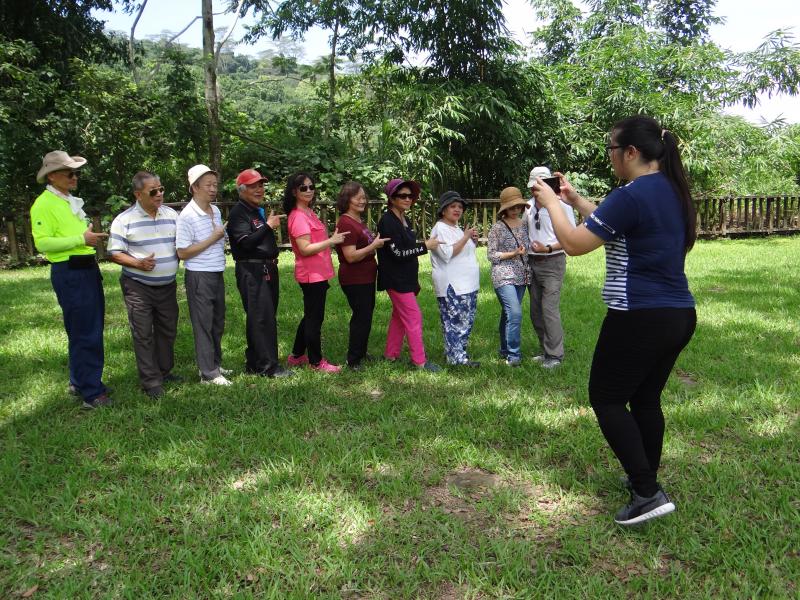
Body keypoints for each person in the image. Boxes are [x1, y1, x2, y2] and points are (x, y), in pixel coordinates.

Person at [531, 115, 697, 526]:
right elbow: (620, 224)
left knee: (606, 398)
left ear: (631, 152)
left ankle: (646, 491)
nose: (609, 157)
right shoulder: (671, 190)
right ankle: (645, 478)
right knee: (643, 398)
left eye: (611, 149)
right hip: (678, 315)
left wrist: (551, 204)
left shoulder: (630, 193)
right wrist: (574, 202)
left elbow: (573, 245)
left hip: (637, 315)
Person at [30, 151, 111, 409]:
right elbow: (42, 242)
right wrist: (81, 240)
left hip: (85, 269)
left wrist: (88, 238)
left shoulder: (67, 201)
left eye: (76, 173)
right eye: (70, 173)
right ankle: (92, 392)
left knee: (85, 328)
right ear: (52, 176)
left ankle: (80, 381)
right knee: (85, 331)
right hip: (70, 272)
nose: (75, 177)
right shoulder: (44, 204)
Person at [108, 171, 180, 399]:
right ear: (138, 194)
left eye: (161, 189)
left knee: (167, 330)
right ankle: (151, 382)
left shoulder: (171, 215)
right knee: (143, 333)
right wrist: (138, 263)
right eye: (153, 191)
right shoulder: (124, 219)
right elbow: (115, 253)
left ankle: (164, 371)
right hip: (137, 286)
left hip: (167, 286)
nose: (159, 194)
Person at [227, 168, 293, 379]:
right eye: (254, 186)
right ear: (242, 189)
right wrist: (268, 227)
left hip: (266, 268)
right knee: (261, 318)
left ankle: (255, 362)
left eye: (261, 185)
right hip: (252, 270)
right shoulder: (239, 212)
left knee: (262, 316)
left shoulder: (255, 210)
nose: (259, 189)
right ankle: (268, 367)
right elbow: (244, 243)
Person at [376, 178, 442, 372]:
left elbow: (406, 247)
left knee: (399, 317)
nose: (407, 199)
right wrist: (425, 246)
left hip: (407, 278)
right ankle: (420, 361)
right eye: (402, 196)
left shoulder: (404, 219)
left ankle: (390, 355)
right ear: (392, 198)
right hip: (395, 279)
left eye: (410, 196)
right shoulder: (387, 222)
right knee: (414, 317)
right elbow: (397, 253)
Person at [283, 172, 345, 373]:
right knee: (314, 319)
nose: (309, 190)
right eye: (303, 188)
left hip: (319, 272)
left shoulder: (308, 212)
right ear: (294, 191)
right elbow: (304, 248)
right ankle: (316, 362)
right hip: (311, 275)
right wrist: (331, 241)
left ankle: (296, 355)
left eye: (311, 187)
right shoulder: (298, 216)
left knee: (310, 315)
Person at [176, 164, 231, 385]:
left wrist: (221, 238)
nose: (212, 189)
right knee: (203, 323)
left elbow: (217, 238)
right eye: (208, 185)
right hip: (199, 275)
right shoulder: (187, 216)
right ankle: (208, 374)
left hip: (216, 271)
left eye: (215, 185)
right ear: (194, 187)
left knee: (217, 321)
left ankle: (214, 364)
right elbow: (182, 252)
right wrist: (214, 237)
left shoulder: (215, 211)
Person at [334, 182, 390, 370]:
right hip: (354, 278)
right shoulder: (345, 222)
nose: (362, 200)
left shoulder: (358, 220)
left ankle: (361, 352)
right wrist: (373, 246)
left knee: (366, 315)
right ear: (346, 200)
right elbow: (350, 256)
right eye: (357, 197)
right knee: (361, 316)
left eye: (363, 197)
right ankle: (353, 360)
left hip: (366, 276)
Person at [526, 165, 577, 369]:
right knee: (535, 310)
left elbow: (570, 236)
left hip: (553, 261)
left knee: (549, 309)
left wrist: (547, 248)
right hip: (531, 262)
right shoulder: (528, 206)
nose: (535, 190)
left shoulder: (561, 206)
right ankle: (545, 349)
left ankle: (555, 356)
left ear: (548, 185)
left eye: (539, 186)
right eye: (533, 186)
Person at [429, 191, 480, 367]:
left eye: (460, 207)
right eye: (453, 206)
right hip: (453, 285)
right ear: (443, 210)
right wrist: (465, 237)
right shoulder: (439, 229)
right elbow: (447, 254)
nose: (457, 210)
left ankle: (457, 354)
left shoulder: (456, 228)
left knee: (465, 321)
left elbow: (465, 252)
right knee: (455, 322)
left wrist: (472, 240)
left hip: (467, 284)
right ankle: (457, 359)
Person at [488, 187, 530, 366]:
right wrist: (512, 253)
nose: (516, 210)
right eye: (512, 207)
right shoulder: (497, 228)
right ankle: (514, 355)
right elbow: (491, 255)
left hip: (522, 275)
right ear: (504, 209)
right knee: (515, 313)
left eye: (518, 206)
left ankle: (504, 349)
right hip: (503, 275)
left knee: (508, 314)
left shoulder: (525, 225)